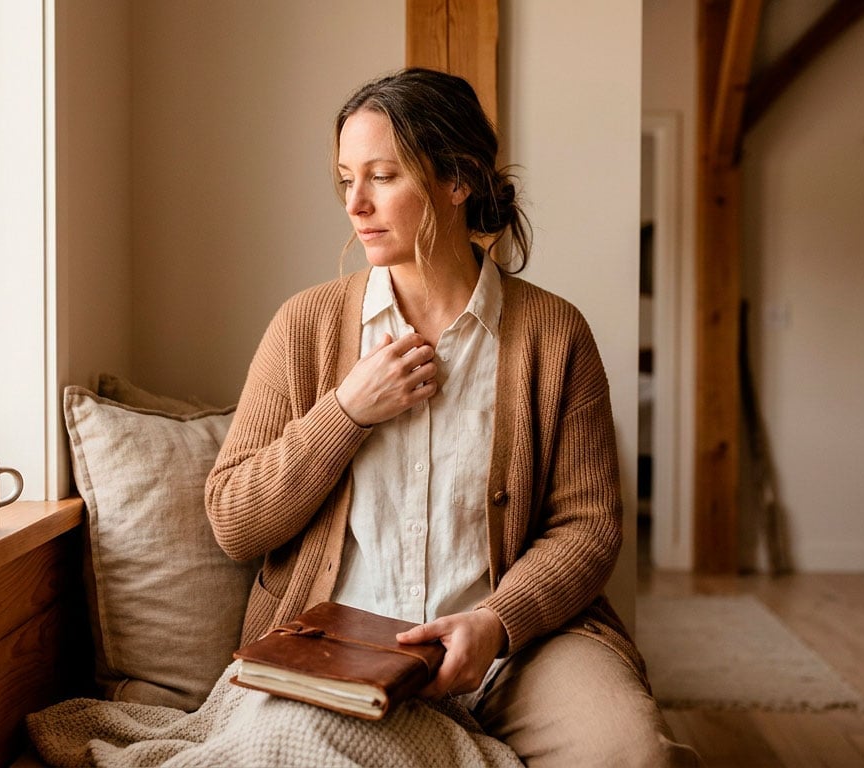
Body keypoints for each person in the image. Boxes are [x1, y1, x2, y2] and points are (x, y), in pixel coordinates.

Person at [205, 67, 700, 767]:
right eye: (346, 179)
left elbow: (588, 527)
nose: (356, 204)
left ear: (459, 178)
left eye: (382, 176)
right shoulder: (305, 325)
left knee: (633, 755)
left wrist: (495, 624)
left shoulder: (554, 335)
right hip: (341, 654)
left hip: (521, 652)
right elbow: (233, 520)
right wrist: (345, 412)